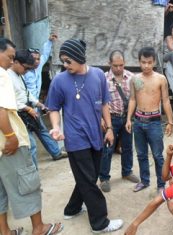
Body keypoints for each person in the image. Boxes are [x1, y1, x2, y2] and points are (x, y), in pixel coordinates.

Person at [46, 39, 123, 233]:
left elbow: (105, 103)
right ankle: (100, 223)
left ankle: (72, 209)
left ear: (80, 57)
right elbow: (53, 107)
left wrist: (110, 129)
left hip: (95, 135)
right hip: (75, 138)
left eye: (67, 60)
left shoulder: (97, 75)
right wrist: (56, 127)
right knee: (89, 180)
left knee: (88, 175)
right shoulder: (59, 80)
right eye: (63, 61)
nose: (65, 65)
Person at [0, 38, 63, 235]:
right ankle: (39, 228)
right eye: (9, 57)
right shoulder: (2, 75)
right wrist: (11, 136)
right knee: (27, 181)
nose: (11, 62)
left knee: (1, 189)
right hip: (9, 142)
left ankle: (4, 231)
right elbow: (2, 109)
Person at [126, 46, 173, 193]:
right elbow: (133, 99)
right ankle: (144, 181)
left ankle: (161, 185)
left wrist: (170, 121)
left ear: (154, 62)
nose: (146, 65)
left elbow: (165, 101)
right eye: (143, 62)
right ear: (139, 62)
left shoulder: (161, 79)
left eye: (149, 62)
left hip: (154, 122)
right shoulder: (135, 79)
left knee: (158, 155)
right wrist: (129, 119)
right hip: (138, 121)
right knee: (141, 154)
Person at [8, 50, 64, 167]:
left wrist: (40, 104)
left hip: (28, 112)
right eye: (26, 68)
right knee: (31, 144)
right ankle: (32, 173)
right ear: (16, 63)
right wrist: (28, 109)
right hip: (18, 115)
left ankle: (55, 153)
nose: (27, 71)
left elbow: (26, 93)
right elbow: (10, 100)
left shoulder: (19, 75)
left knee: (41, 131)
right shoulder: (7, 77)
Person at [99, 50, 139, 192]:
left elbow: (136, 98)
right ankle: (104, 177)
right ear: (109, 64)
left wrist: (132, 118)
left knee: (128, 146)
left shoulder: (132, 77)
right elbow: (98, 101)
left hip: (127, 118)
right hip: (111, 119)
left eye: (121, 65)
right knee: (107, 149)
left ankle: (127, 171)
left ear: (125, 63)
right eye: (115, 65)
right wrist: (101, 119)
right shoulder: (103, 79)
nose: (118, 68)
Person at [24, 33, 67, 165]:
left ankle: (55, 152)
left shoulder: (37, 68)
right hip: (24, 106)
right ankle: (32, 164)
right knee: (29, 136)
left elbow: (45, 54)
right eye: (34, 59)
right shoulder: (23, 72)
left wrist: (49, 41)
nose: (37, 61)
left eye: (38, 59)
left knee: (41, 129)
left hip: (35, 105)